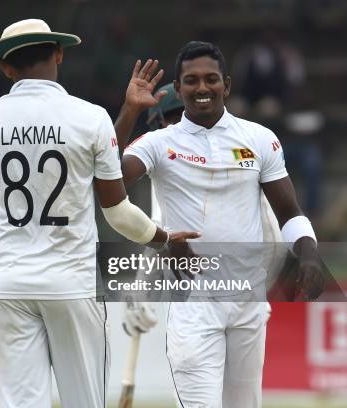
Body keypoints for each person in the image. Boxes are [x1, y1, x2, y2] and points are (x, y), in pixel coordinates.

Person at [0, 19, 197, 408]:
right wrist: (164, 239)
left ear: (5, 67)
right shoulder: (90, 117)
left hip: (7, 283)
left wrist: (15, 237)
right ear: (58, 54)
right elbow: (117, 211)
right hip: (72, 282)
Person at [114, 41, 324, 407]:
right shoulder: (158, 143)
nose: (202, 88)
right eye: (191, 81)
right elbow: (109, 181)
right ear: (178, 89)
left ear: (226, 84)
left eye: (211, 79)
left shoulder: (259, 139)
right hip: (194, 305)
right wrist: (130, 111)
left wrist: (308, 253)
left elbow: (289, 213)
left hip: (248, 302)